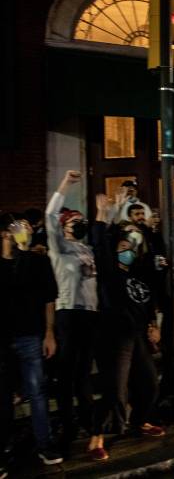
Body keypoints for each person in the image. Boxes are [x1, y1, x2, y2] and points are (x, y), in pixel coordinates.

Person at [88, 195, 164, 461]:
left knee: (150, 384)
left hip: (138, 335)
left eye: (131, 245)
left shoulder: (139, 274)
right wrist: (102, 214)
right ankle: (96, 437)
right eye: (122, 245)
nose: (128, 249)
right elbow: (99, 244)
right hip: (114, 336)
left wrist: (153, 326)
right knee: (114, 389)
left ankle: (139, 421)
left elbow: (148, 301)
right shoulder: (110, 272)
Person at [0, 215, 63, 467]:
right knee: (3, 396)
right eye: (16, 228)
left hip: (30, 334)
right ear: (5, 234)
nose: (22, 231)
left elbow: (49, 298)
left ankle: (44, 444)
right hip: (2, 339)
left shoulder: (37, 261)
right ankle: (4, 449)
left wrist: (49, 333)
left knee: (37, 392)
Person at [45, 170, 99, 453]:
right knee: (66, 375)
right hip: (68, 313)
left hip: (89, 315)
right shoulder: (59, 247)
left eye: (82, 221)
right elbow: (50, 217)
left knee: (84, 374)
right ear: (66, 226)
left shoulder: (87, 249)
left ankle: (89, 423)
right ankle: (67, 426)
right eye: (75, 222)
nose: (80, 225)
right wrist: (64, 184)